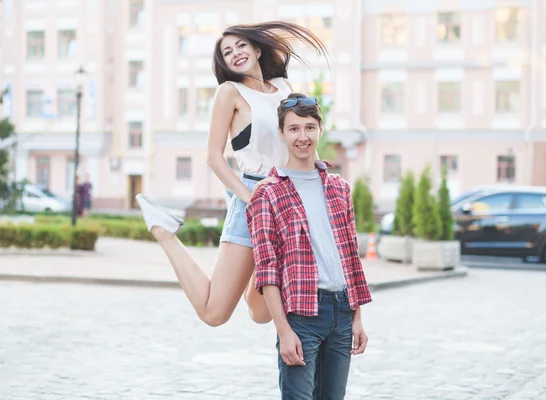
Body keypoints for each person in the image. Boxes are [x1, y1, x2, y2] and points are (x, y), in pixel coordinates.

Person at [135, 22, 328, 326]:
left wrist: (322, 185)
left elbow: (303, 143)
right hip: (253, 198)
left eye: (241, 46)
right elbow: (214, 158)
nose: (235, 53)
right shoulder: (230, 93)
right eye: (227, 52)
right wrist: (252, 200)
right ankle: (164, 231)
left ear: (257, 48)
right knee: (215, 313)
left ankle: (255, 268)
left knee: (261, 312)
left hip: (289, 199)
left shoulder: (284, 88)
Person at [246, 93, 372, 399]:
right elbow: (267, 271)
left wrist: (356, 318)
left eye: (309, 127)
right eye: (293, 129)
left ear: (320, 128)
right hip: (302, 317)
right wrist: (284, 331)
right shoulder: (269, 193)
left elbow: (350, 258)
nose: (302, 136)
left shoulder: (339, 187)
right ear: (282, 133)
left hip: (342, 314)